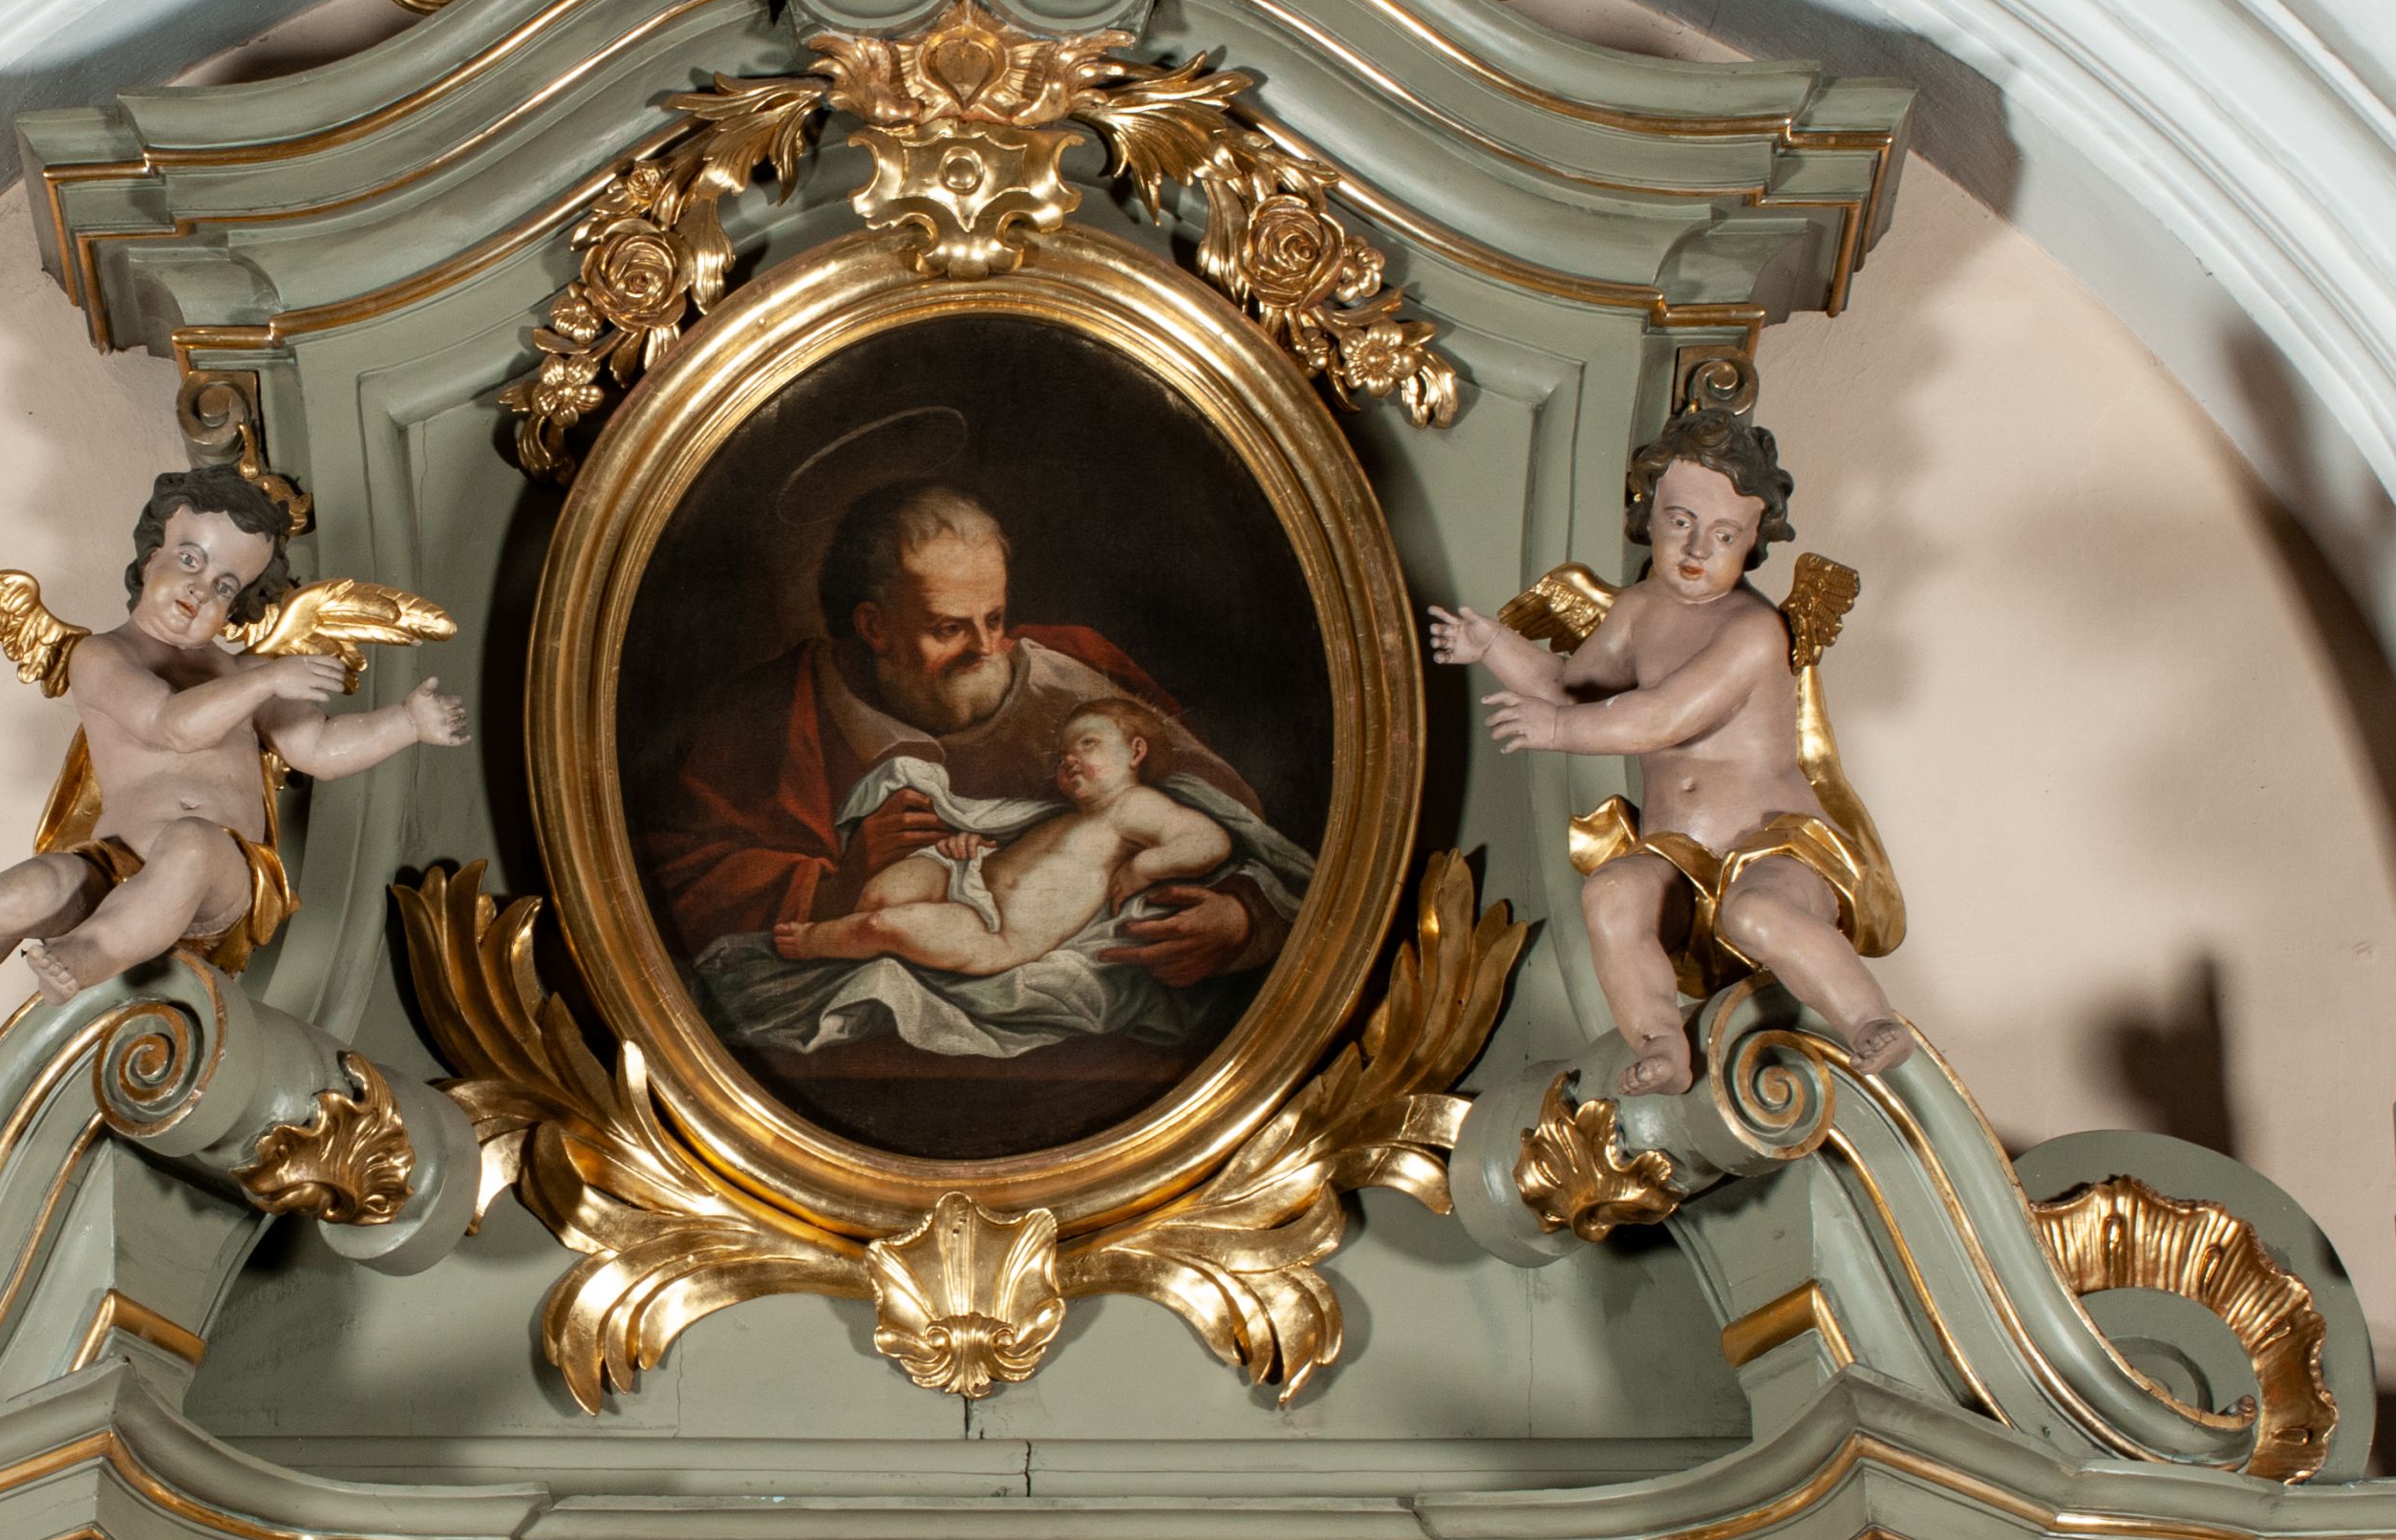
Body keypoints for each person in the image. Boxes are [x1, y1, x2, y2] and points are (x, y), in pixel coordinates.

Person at [0, 468, 467, 1045]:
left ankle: (86, 956)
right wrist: (268, 680)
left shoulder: (246, 673)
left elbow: (319, 749)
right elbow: (170, 725)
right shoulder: (103, 657)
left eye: (226, 585)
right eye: (191, 559)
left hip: (223, 871)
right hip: (117, 863)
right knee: (30, 887)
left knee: (190, 844)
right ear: (149, 558)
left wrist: (406, 722)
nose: (201, 588)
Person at [1427, 409, 1910, 1095]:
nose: (1697, 547)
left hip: (1773, 850)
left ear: (1753, 542)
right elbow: (1573, 688)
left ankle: (1868, 1019)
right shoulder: (1637, 611)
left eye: (1724, 535)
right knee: (1612, 893)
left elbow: (1661, 717)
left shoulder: (1753, 630)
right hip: (1678, 856)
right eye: (1680, 521)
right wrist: (1495, 647)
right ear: (1648, 511)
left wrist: (1559, 731)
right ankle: (1660, 1043)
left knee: (1757, 913)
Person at [641, 479, 1283, 989]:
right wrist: (836, 883)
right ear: (874, 627)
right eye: (949, 628)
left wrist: (1241, 915)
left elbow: (1231, 819)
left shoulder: (1076, 670)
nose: (987, 647)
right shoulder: (772, 707)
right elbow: (671, 889)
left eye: (995, 618)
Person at [773, 699, 1232, 976]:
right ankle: (849, 941)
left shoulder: (1136, 805)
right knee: (879, 895)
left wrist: (1144, 867)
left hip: (994, 931)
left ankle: (812, 941)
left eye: (1088, 744)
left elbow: (1209, 841)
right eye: (1063, 756)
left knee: (881, 925)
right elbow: (1015, 847)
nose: (1070, 760)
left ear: (1135, 752)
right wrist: (969, 844)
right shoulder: (1069, 816)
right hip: (966, 875)